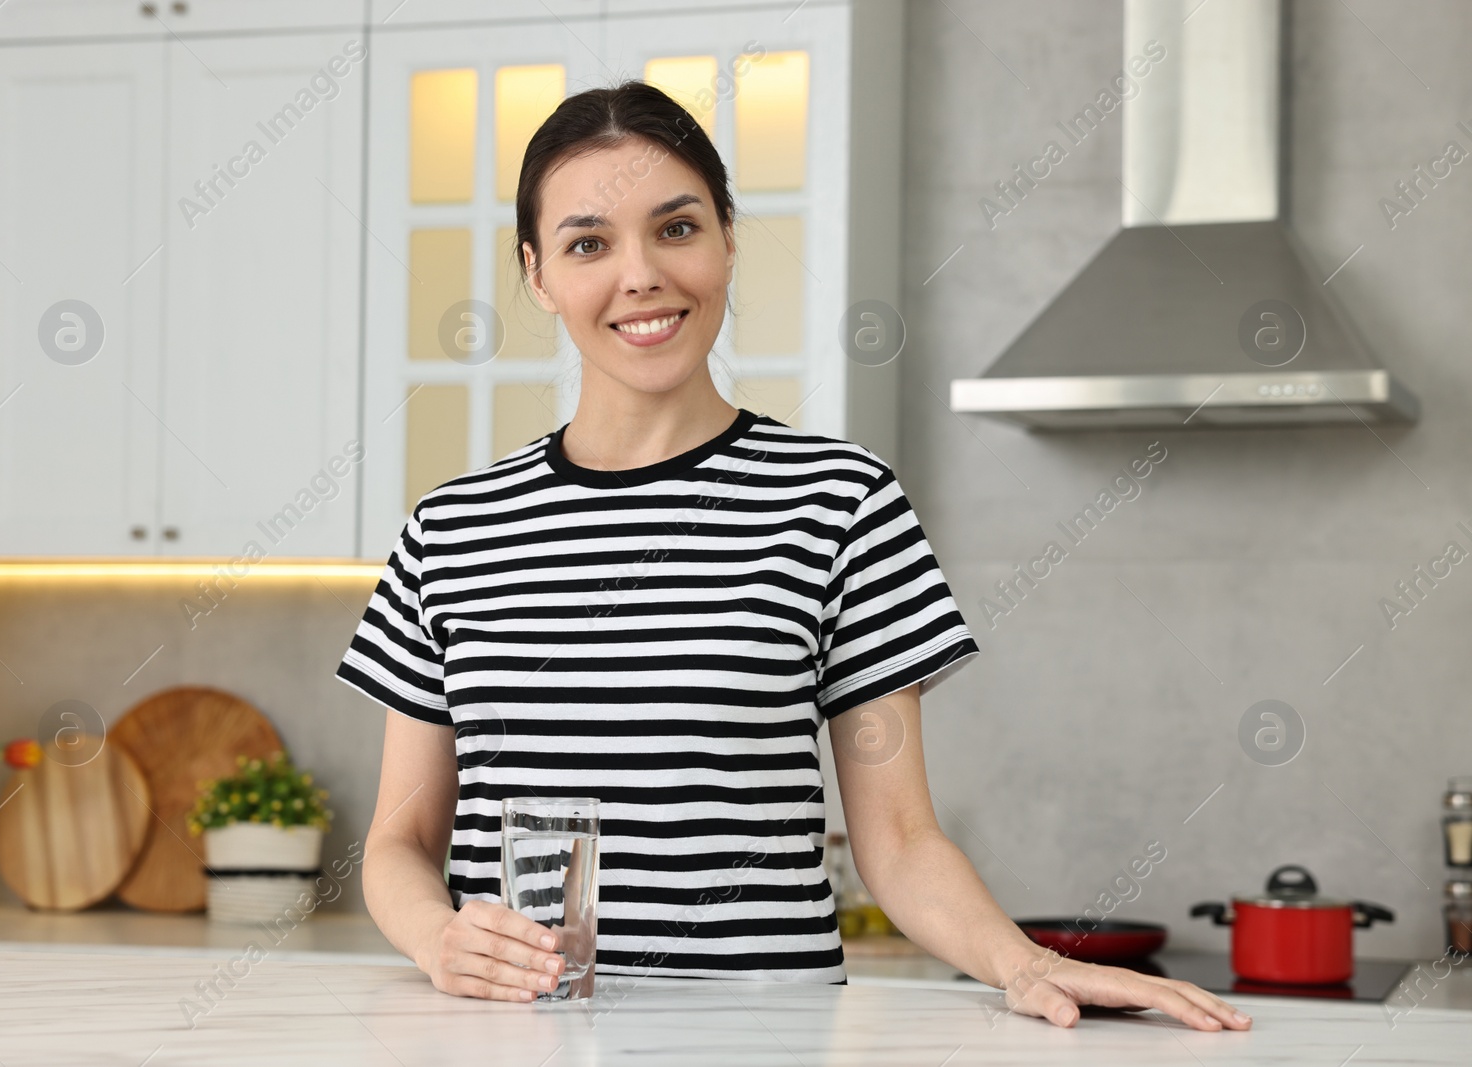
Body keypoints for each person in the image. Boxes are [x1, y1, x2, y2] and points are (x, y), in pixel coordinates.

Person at [335, 80, 1251, 1033]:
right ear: (536, 274)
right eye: (588, 243)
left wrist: (1024, 965)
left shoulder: (841, 504)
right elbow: (398, 842)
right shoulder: (451, 529)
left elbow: (897, 838)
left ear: (728, 238)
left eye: (677, 228)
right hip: (514, 1039)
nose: (640, 274)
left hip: (761, 1036)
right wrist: (440, 938)